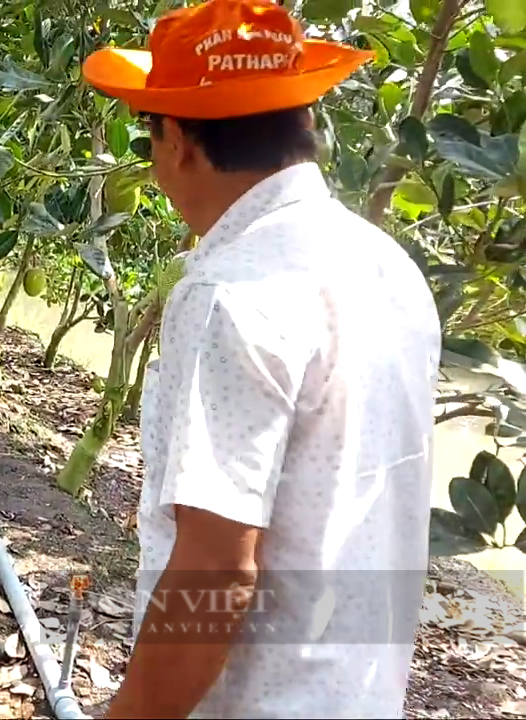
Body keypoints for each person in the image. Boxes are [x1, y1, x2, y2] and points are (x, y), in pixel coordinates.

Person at [81, 0, 442, 717]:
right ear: (301, 128)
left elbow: (216, 570)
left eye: (150, 139)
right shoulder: (386, 263)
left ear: (177, 140)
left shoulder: (228, 291)